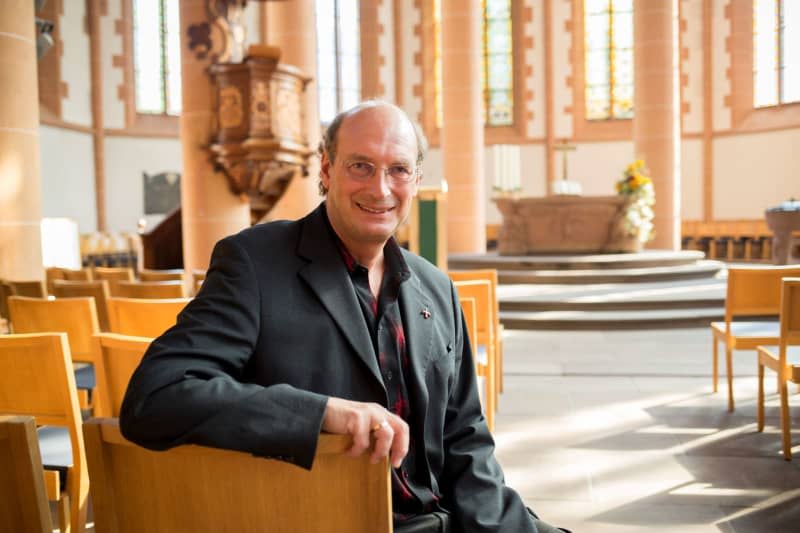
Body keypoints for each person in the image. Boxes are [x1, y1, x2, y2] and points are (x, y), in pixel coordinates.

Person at [120, 100, 565, 533]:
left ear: (416, 179)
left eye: (398, 169)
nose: (381, 188)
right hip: (335, 518)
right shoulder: (256, 263)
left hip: (452, 518)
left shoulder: (437, 287)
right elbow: (155, 397)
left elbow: (466, 438)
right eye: (360, 166)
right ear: (327, 169)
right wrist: (323, 414)